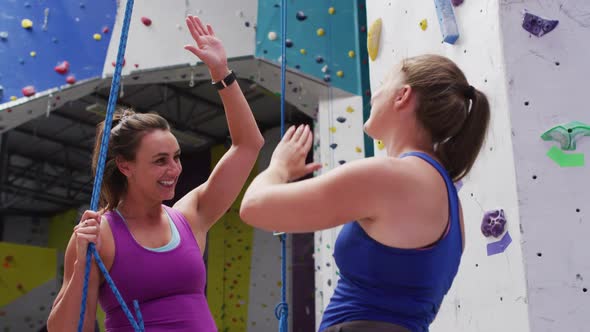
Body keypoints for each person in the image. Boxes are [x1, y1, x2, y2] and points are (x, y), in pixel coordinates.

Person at [239, 54, 490, 332]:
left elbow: (254, 206)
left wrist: (279, 168)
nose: (375, 94)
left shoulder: (391, 177)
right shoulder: (447, 197)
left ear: (402, 95)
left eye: (384, 83)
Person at [47, 15, 264, 331]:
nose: (174, 169)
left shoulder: (189, 217)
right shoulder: (99, 234)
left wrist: (221, 73)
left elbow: (248, 145)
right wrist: (82, 263)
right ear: (125, 165)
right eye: (160, 160)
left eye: (176, 157)